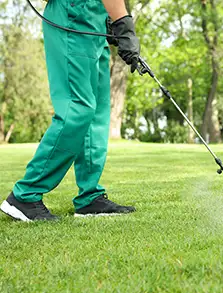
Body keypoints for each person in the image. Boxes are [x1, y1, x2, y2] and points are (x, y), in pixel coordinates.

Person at [0, 0, 140, 221]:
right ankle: (25, 195)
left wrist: (111, 22)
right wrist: (123, 23)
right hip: (73, 13)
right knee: (78, 108)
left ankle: (89, 197)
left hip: (95, 22)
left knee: (97, 113)